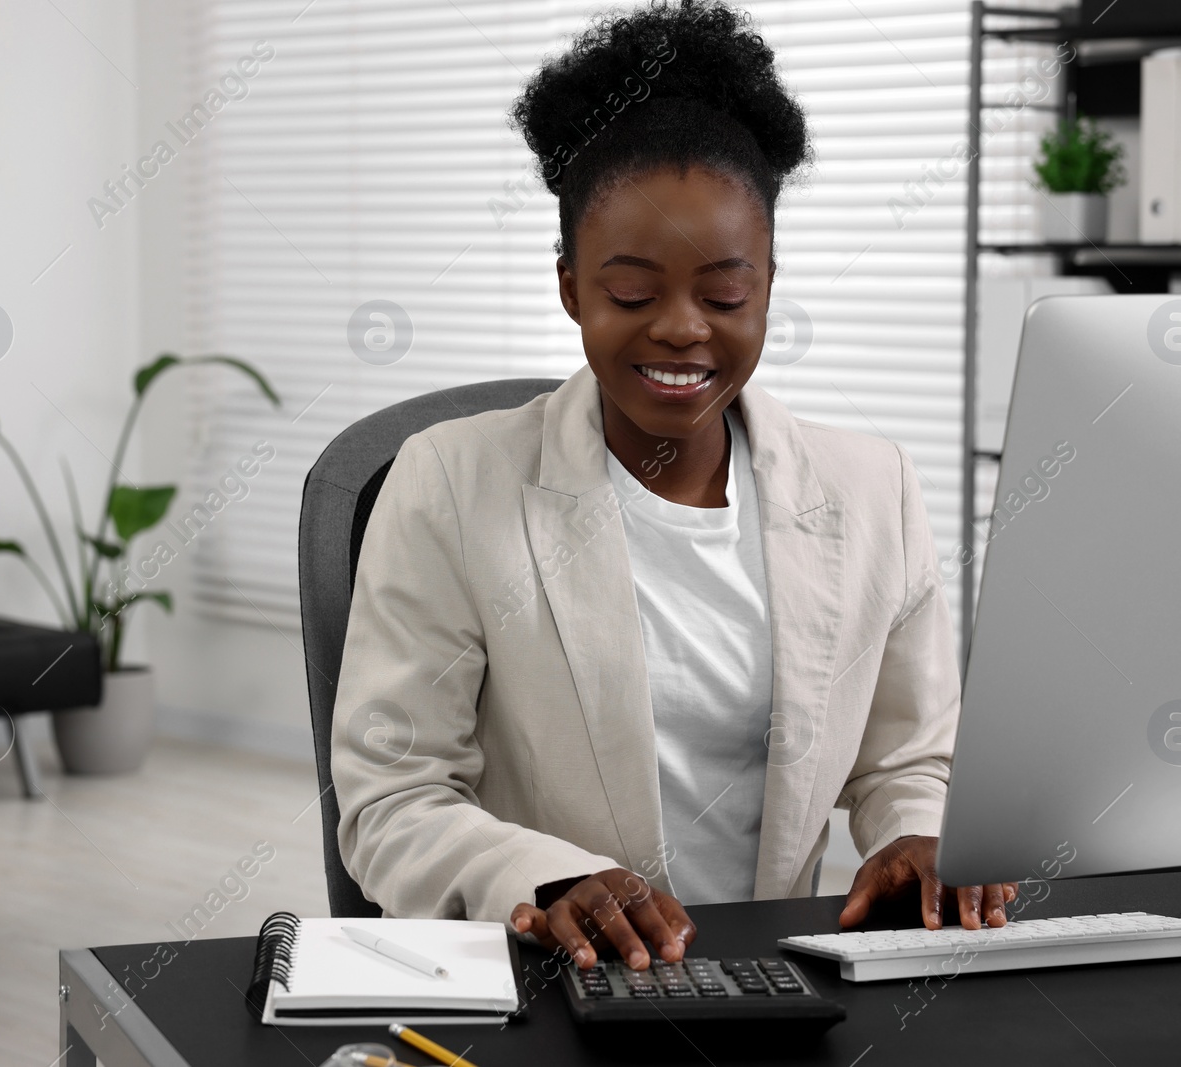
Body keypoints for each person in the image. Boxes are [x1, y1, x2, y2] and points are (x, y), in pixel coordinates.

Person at [330, 0, 1014, 973]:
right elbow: (393, 797)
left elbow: (908, 759)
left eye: (725, 295)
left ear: (768, 286)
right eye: (632, 294)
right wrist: (549, 879)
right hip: (555, 990)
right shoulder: (449, 483)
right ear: (570, 286)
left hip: (780, 984)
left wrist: (914, 834)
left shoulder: (870, 489)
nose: (683, 328)